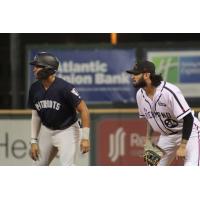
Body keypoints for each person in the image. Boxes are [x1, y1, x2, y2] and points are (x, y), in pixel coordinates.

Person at [126, 60, 200, 166]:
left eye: (136, 74)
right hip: (166, 137)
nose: (132, 77)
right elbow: (150, 119)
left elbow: (189, 118)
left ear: (147, 75)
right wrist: (148, 141)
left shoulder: (169, 92)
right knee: (151, 165)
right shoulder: (140, 94)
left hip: (190, 133)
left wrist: (183, 146)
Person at [28, 52, 90, 166]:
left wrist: (85, 137)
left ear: (47, 69)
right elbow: (36, 115)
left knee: (67, 167)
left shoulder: (65, 87)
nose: (34, 69)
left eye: (37, 66)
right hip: (47, 130)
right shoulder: (34, 88)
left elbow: (84, 110)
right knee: (37, 167)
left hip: (67, 130)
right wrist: (33, 140)